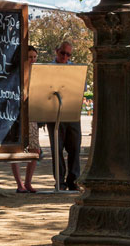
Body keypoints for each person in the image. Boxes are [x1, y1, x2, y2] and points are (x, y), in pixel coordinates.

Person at [44, 41, 82, 191]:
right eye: (62, 53)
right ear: (56, 51)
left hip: (71, 114)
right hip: (54, 114)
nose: (65, 57)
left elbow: (81, 87)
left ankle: (73, 180)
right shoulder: (48, 69)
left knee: (74, 149)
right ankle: (60, 181)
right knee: (57, 149)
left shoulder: (74, 69)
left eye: (68, 54)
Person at [11, 45, 40, 193]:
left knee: (35, 149)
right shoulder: (16, 73)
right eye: (30, 57)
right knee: (15, 149)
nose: (33, 60)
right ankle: (19, 184)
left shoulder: (37, 74)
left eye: (35, 57)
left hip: (32, 113)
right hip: (16, 114)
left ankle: (28, 182)